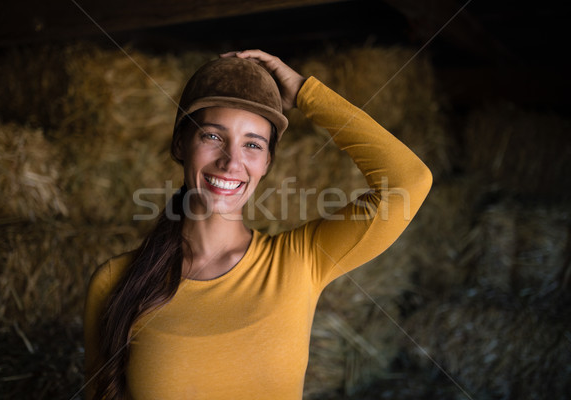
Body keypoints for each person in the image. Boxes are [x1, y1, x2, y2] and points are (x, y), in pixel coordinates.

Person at [83, 49, 432, 400]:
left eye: (252, 144)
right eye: (213, 136)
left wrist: (305, 94)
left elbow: (409, 181)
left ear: (267, 162)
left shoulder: (300, 261)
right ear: (180, 144)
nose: (231, 161)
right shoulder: (115, 281)